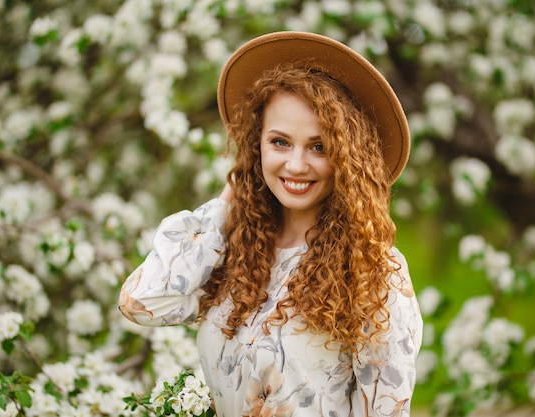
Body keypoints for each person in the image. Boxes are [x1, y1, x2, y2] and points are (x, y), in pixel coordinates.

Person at [119, 31, 423, 417]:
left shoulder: (374, 273)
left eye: (319, 146)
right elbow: (142, 302)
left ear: (347, 158)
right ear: (255, 145)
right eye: (280, 142)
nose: (296, 165)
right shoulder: (233, 253)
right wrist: (233, 194)